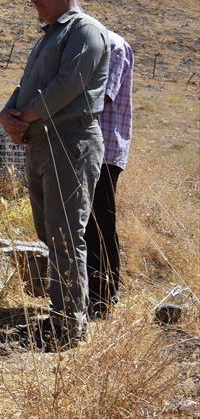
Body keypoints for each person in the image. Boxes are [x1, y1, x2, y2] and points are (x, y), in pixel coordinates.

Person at [0, 0, 108, 349]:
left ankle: (68, 326)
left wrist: (23, 117)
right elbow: (26, 85)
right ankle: (59, 314)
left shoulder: (86, 32)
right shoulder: (49, 36)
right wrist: (7, 113)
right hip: (42, 143)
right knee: (50, 233)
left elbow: (68, 85)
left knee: (65, 235)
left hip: (70, 141)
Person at [86, 30, 133, 318]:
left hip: (103, 148)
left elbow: (102, 95)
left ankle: (103, 298)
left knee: (99, 222)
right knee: (89, 222)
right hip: (85, 147)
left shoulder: (112, 44)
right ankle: (98, 294)